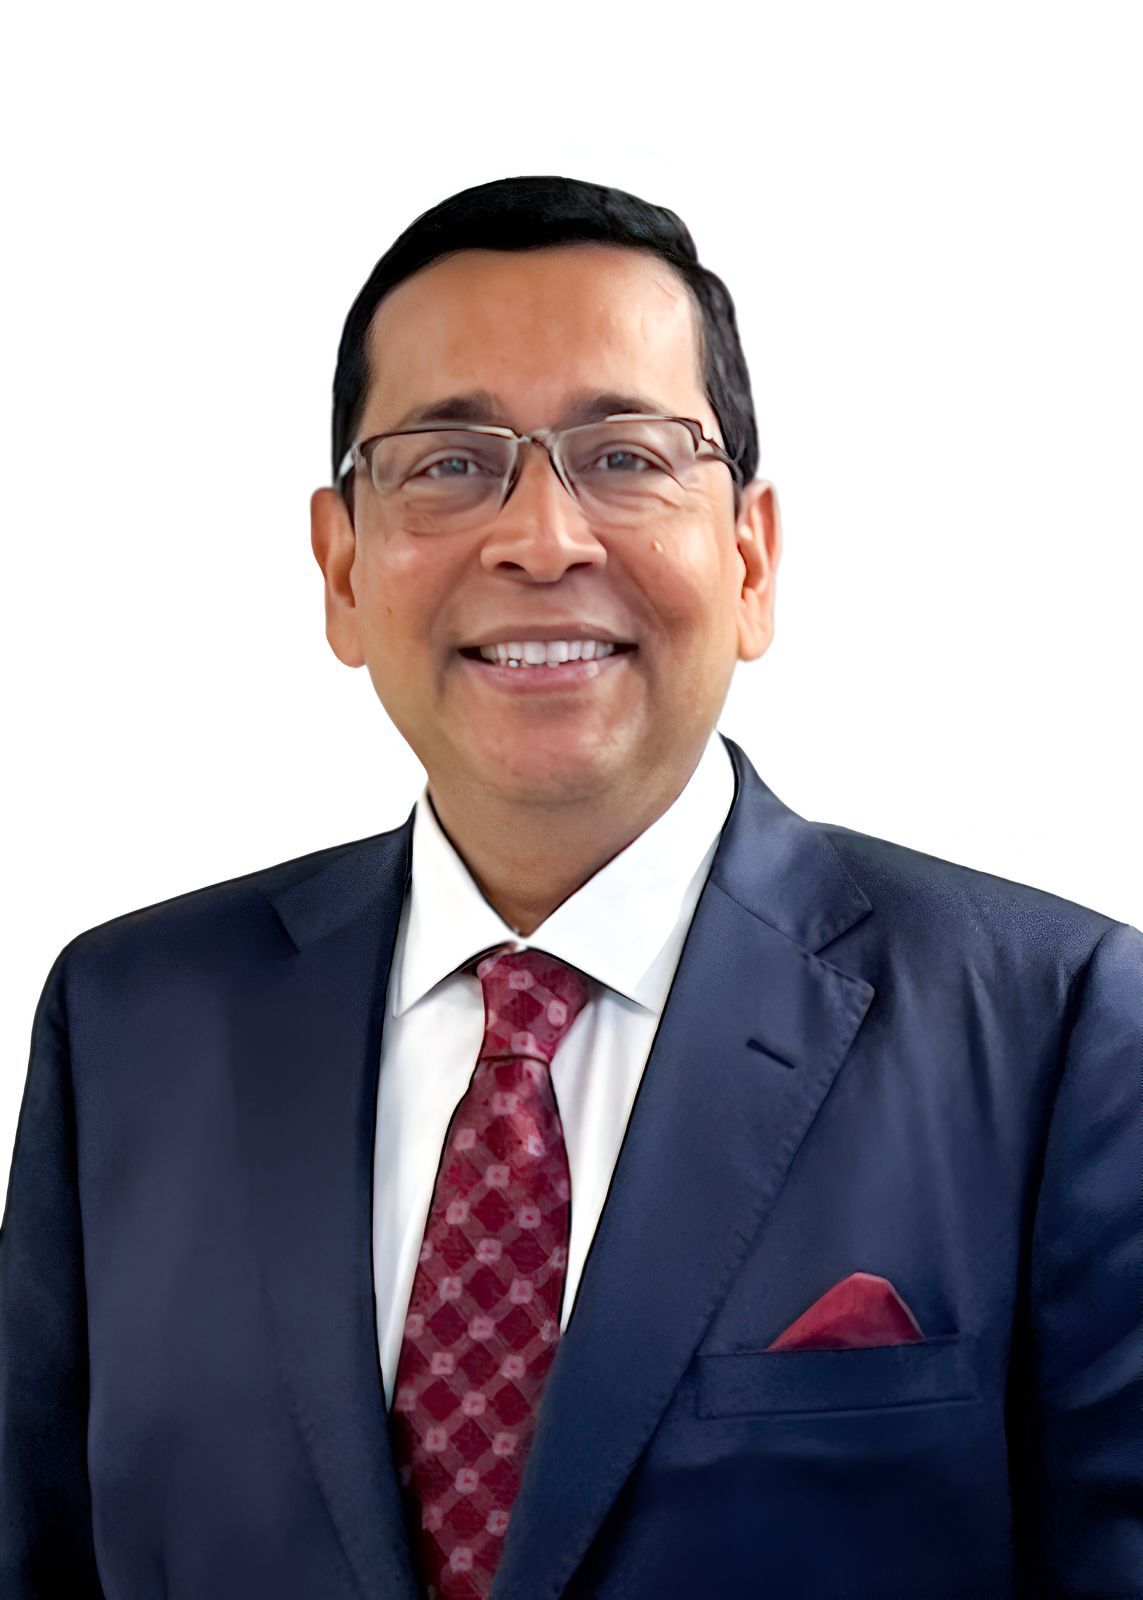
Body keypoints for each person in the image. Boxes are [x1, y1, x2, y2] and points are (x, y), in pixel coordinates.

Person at [0, 174, 1138, 1600]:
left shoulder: (1058, 1028)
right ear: (341, 568)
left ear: (751, 558)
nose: (542, 539)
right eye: (448, 463)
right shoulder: (130, 1025)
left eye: (625, 456)